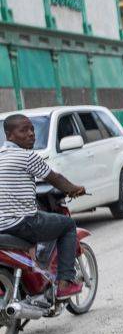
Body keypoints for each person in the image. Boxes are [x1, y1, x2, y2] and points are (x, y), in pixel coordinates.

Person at [0, 114, 86, 298]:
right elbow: (55, 178)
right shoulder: (27, 156)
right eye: (24, 130)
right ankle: (65, 283)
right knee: (67, 226)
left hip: (2, 225)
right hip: (21, 223)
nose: (31, 134)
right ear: (9, 135)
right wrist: (75, 189)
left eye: (32, 129)